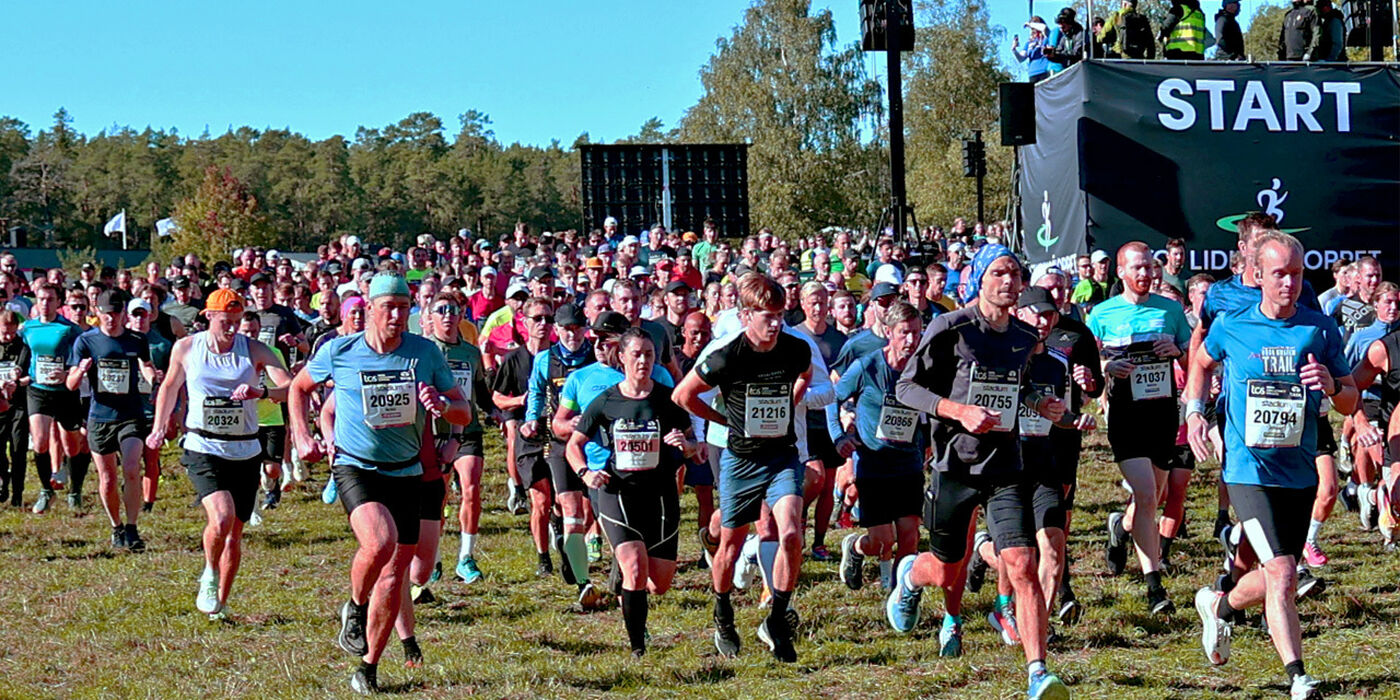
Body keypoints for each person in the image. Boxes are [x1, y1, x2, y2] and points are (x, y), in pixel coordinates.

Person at [884, 244, 1070, 699]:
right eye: (999, 273)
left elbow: (1019, 388)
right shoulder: (952, 327)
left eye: (1015, 274)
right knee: (949, 572)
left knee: (1023, 564)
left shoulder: (1025, 339)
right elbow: (907, 387)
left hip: (1005, 465)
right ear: (979, 280)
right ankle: (910, 575)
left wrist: (1038, 403)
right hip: (954, 464)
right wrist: (957, 411)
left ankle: (1038, 673)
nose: (1009, 282)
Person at [1186, 232, 1355, 700]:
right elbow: (1200, 363)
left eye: (1298, 274)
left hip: (1297, 467)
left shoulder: (1319, 328)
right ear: (1257, 276)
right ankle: (1299, 677)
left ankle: (1219, 605)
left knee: (1277, 569)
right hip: (1247, 467)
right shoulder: (1232, 323)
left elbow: (1349, 397)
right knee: (1282, 572)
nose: (1290, 283)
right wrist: (1195, 412)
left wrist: (1331, 385)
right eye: (1280, 274)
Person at [287, 274, 473, 695]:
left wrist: (442, 405)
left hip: (407, 469)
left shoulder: (424, 353)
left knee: (395, 576)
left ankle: (368, 666)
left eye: (404, 308)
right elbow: (299, 388)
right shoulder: (339, 350)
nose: (396, 315)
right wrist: (301, 436)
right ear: (369, 308)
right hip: (357, 466)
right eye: (388, 306)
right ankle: (353, 607)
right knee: (379, 542)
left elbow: (463, 411)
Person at [673, 274, 813, 663]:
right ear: (744, 315)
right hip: (741, 459)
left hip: (782, 455)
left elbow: (806, 377)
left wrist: (789, 402)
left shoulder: (795, 349)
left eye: (780, 315)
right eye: (767, 316)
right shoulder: (726, 355)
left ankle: (777, 618)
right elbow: (682, 395)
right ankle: (722, 610)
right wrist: (724, 420)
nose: (775, 324)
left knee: (790, 533)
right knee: (731, 547)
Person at [147, 288, 291, 618]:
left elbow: (289, 387)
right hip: (203, 445)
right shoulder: (187, 348)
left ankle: (221, 604)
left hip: (244, 448)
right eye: (226, 321)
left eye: (237, 322)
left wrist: (262, 390)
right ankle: (208, 574)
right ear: (208, 316)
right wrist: (160, 425)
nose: (232, 329)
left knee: (234, 533)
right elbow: (169, 387)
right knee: (222, 517)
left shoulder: (254, 349)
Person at [566, 327, 700, 657]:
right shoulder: (607, 400)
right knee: (635, 567)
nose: (643, 360)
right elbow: (573, 445)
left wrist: (686, 446)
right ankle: (638, 648)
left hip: (660, 495)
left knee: (660, 583)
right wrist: (586, 472)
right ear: (623, 358)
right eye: (636, 354)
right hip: (618, 492)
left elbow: (696, 446)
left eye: (649, 354)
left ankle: (631, 597)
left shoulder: (667, 399)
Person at [1088, 242, 1192, 614]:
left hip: (1163, 413)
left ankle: (1120, 527)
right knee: (1147, 495)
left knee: (1153, 499)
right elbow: (1087, 363)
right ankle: (1155, 586)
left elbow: (1191, 353)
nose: (1146, 274)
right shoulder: (1101, 314)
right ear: (1121, 272)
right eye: (1138, 268)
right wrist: (1106, 369)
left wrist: (1176, 352)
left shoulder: (1171, 310)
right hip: (1126, 416)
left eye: (1150, 267)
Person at [834, 301, 926, 594]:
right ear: (889, 333)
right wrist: (839, 437)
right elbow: (831, 400)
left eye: (915, 333)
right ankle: (856, 548)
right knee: (882, 540)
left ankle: (900, 597)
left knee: (909, 537)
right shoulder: (868, 366)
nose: (910, 341)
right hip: (874, 463)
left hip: (909, 463)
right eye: (903, 333)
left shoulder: (924, 367)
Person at [67, 289, 160, 551]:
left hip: (130, 415)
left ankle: (132, 528)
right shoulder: (86, 341)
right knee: (107, 478)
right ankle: (116, 526)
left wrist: (153, 378)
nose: (112, 318)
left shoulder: (135, 340)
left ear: (123, 313)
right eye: (106, 313)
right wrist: (81, 371)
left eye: (116, 313)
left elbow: (146, 364)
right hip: (100, 417)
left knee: (131, 468)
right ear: (97, 313)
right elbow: (71, 384)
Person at [523, 303, 595, 578]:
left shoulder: (594, 356)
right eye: (566, 329)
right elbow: (536, 391)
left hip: (591, 441)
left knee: (589, 512)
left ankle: (568, 535)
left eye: (577, 329)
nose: (572, 335)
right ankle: (572, 561)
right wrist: (532, 418)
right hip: (559, 439)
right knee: (570, 504)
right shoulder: (545, 358)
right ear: (557, 330)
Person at [490, 296, 558, 583]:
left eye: (548, 319)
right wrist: (522, 400)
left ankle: (565, 538)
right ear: (525, 322)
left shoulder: (560, 357)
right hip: (526, 432)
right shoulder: (514, 359)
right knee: (541, 501)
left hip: (557, 433)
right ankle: (543, 557)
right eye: (537, 319)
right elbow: (496, 397)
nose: (543, 324)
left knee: (563, 500)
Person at [20, 283, 85, 513]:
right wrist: (20, 373)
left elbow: (81, 357)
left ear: (59, 302)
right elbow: (24, 354)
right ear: (36, 301)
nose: (45, 304)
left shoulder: (69, 329)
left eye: (50, 299)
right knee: (39, 441)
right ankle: (46, 490)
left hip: (65, 392)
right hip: (38, 389)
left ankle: (75, 490)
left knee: (72, 446)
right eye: (41, 299)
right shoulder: (27, 328)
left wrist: (67, 373)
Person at [797, 282, 847, 560]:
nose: (818, 308)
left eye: (822, 302)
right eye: (813, 302)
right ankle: (796, 518)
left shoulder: (839, 340)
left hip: (832, 418)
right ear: (803, 304)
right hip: (804, 417)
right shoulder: (796, 336)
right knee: (813, 477)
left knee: (828, 483)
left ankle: (819, 542)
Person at [0, 310, 28, 507]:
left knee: (18, 449)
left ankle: (18, 493)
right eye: (4, 333)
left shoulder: (23, 347)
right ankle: (3, 480)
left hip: (19, 404)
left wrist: (17, 383)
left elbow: (30, 375)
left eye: (11, 332)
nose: (8, 337)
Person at [1044, 8, 1085, 74]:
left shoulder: (1080, 34)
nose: (1062, 30)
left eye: (1063, 27)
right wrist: (1052, 55)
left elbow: (1076, 54)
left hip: (1080, 71)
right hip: (1069, 71)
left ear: (1070, 24)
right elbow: (1059, 52)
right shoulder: (1064, 38)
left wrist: (1060, 54)